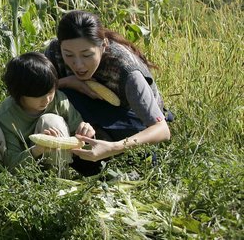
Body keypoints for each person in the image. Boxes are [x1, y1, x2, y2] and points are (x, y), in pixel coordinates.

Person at [44, 10, 172, 163]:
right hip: (87, 113)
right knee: (57, 93)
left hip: (130, 119)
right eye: (69, 55)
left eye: (86, 55)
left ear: (103, 45)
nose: (78, 64)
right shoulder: (54, 52)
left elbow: (162, 129)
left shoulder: (126, 71)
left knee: (144, 156)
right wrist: (67, 82)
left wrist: (113, 147)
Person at [0, 52, 96, 173]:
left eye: (50, 92)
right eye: (39, 96)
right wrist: (37, 150)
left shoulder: (59, 99)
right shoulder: (7, 116)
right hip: (20, 166)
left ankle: (58, 176)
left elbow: (81, 139)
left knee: (51, 120)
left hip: (53, 164)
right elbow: (11, 163)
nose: (47, 99)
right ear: (20, 95)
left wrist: (86, 133)